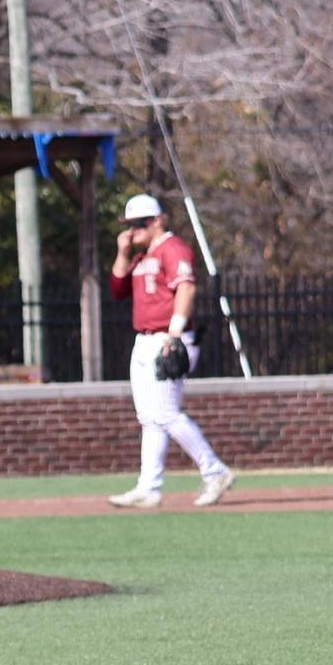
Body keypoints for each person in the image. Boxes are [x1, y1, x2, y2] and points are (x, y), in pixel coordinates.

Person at [105, 194, 235, 509]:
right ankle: (149, 487)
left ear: (157, 221)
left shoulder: (173, 248)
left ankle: (214, 470)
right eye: (129, 225)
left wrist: (174, 333)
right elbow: (117, 290)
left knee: (165, 413)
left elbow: (186, 287)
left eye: (139, 224)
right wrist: (123, 253)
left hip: (168, 336)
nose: (133, 231)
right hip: (144, 339)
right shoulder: (140, 255)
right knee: (149, 417)